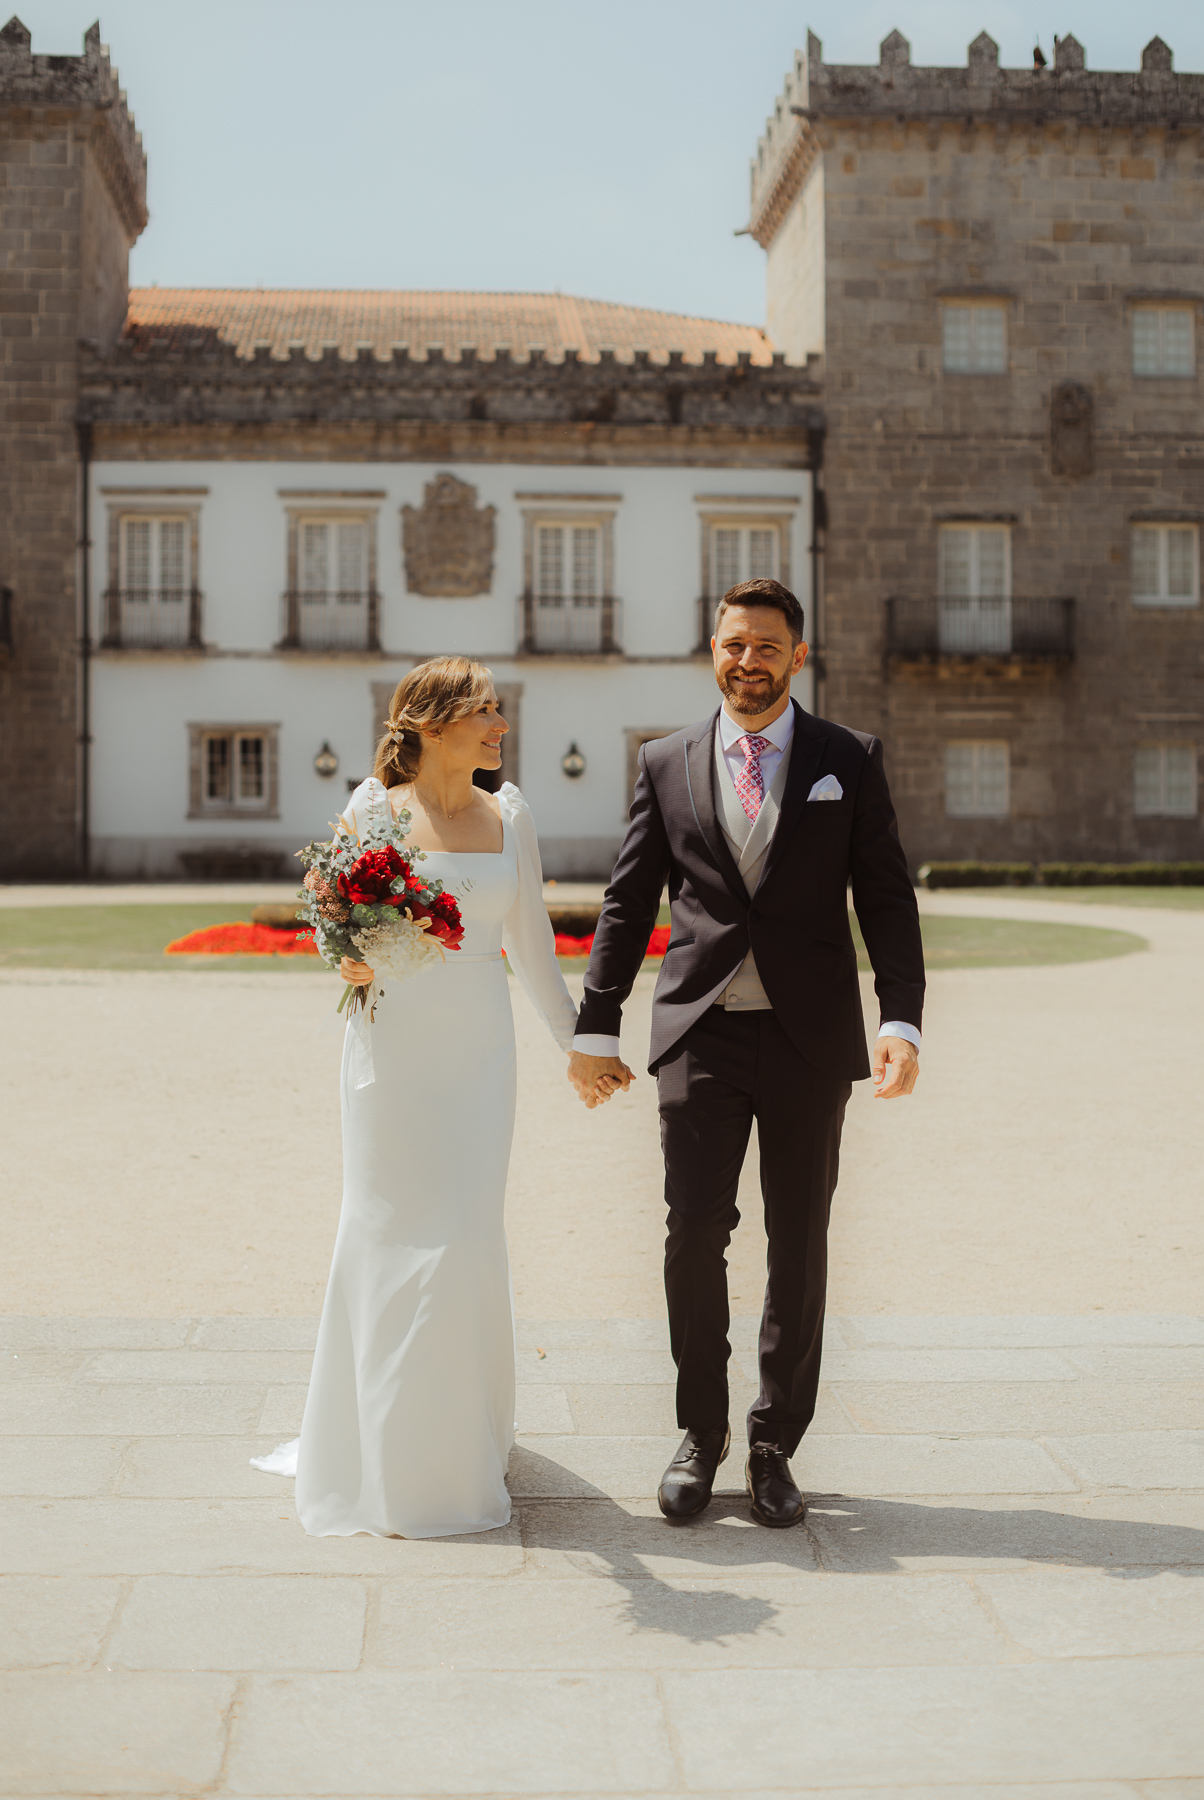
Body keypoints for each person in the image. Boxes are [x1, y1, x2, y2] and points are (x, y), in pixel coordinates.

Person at [567, 578, 925, 1529]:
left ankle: (772, 1444)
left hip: (811, 1041)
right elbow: (626, 898)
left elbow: (885, 897)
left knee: (799, 1242)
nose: (748, 661)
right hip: (702, 1034)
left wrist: (901, 1018)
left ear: (797, 655)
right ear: (712, 651)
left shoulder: (847, 758)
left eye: (767, 646)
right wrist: (596, 1021)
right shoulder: (666, 761)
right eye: (733, 645)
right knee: (693, 1235)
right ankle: (702, 1433)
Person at [254, 656, 585, 1538]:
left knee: (467, 1234)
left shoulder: (510, 815)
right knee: (390, 1228)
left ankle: (458, 1445)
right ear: (433, 723)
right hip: (391, 1054)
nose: (500, 730)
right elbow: (339, 926)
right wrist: (346, 956)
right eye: (485, 714)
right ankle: (380, 1453)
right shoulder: (373, 809)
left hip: (479, 1057)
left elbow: (535, 951)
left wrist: (580, 1045)